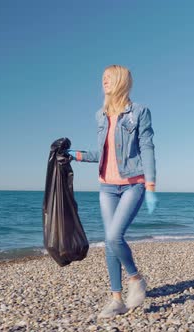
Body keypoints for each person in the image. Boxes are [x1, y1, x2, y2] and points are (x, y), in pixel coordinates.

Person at [66, 64, 158, 319]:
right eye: (102, 79)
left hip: (133, 184)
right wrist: (76, 155)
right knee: (110, 242)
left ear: (120, 80)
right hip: (107, 187)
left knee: (114, 236)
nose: (103, 82)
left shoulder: (139, 112)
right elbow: (103, 153)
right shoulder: (101, 115)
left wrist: (150, 185)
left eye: (108, 78)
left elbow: (148, 147)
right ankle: (117, 299)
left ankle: (136, 279)